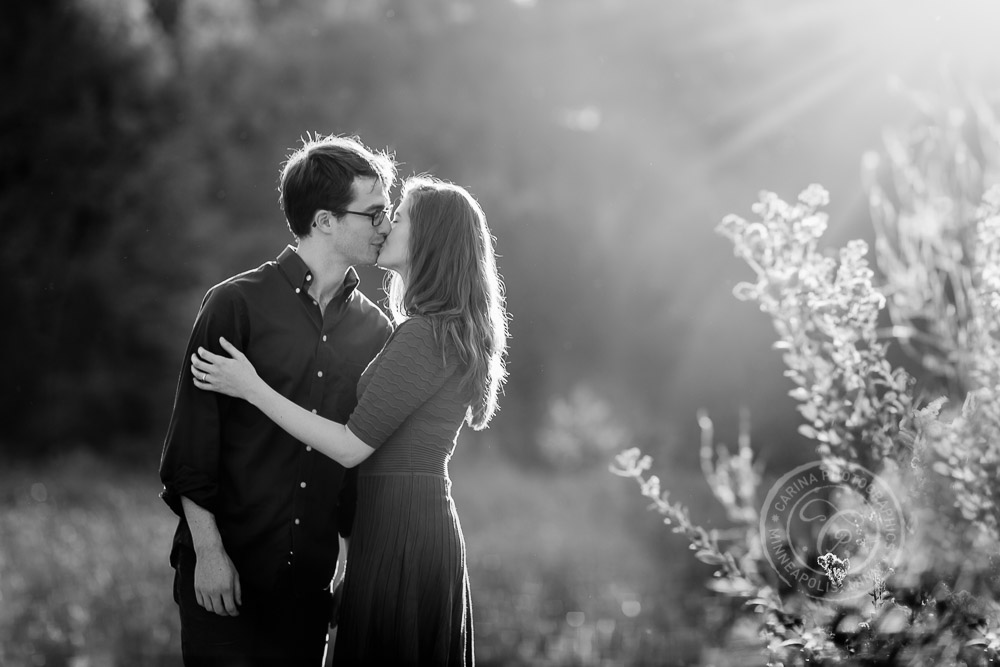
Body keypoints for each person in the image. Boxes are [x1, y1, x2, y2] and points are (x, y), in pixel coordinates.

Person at [190, 175, 509, 666]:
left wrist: (251, 387)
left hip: (403, 527)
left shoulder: (423, 336)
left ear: (428, 240)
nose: (385, 227)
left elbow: (348, 447)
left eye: (397, 217)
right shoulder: (433, 329)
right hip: (398, 523)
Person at [158, 134, 396, 666]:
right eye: (375, 213)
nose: (386, 226)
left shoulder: (375, 332)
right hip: (226, 574)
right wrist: (210, 554)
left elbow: (361, 471)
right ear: (325, 220)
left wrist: (350, 570)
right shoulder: (234, 305)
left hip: (308, 586)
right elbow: (192, 445)